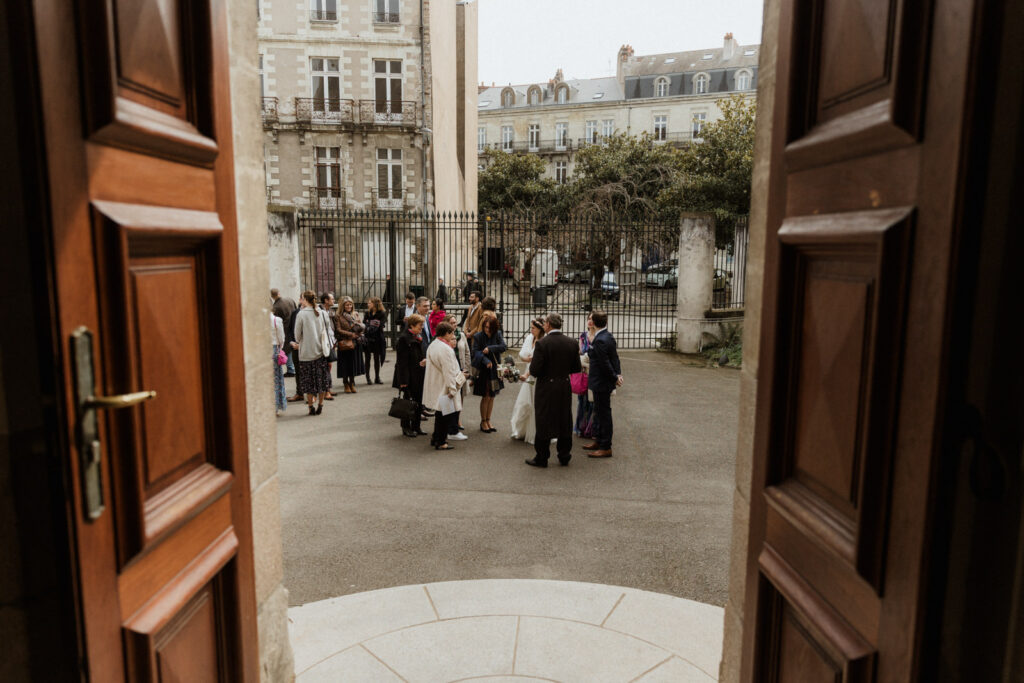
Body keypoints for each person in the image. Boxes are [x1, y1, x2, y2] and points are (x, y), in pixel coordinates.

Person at [525, 313, 582, 468]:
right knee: (564, 418)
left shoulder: (542, 344)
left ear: (548, 324)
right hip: (564, 384)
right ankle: (564, 454)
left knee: (543, 418)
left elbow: (535, 370)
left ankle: (542, 456)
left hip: (546, 386)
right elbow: (576, 367)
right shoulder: (571, 343)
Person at [422, 322, 466, 450]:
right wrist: (453, 389)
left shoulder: (433, 345)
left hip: (437, 384)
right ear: (447, 333)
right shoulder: (446, 349)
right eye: (452, 333)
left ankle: (436, 438)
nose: (453, 335)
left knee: (439, 414)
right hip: (445, 387)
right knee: (445, 415)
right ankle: (441, 441)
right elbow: (449, 371)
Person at [584, 310, 622, 458]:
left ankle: (606, 446)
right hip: (602, 381)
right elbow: (615, 358)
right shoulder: (607, 336)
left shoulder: (600, 340)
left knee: (604, 414)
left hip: (601, 382)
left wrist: (615, 377)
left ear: (593, 322)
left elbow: (605, 363)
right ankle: (599, 440)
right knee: (599, 413)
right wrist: (618, 374)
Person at [294, 290, 332, 415]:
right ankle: (321, 404)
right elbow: (327, 329)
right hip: (321, 351)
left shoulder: (301, 314)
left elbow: (297, 336)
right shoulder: (321, 313)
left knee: (309, 382)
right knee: (321, 381)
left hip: (306, 353)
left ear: (305, 299)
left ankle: (311, 407)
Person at [510, 318, 545, 443]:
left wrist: (529, 368)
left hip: (536, 375)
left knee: (535, 403)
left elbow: (539, 362)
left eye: (533, 328)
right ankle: (522, 430)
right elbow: (522, 354)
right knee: (525, 402)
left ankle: (536, 432)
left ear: (540, 329)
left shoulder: (544, 340)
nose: (531, 330)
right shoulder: (530, 338)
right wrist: (527, 360)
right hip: (528, 374)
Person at [393, 313, 427, 437]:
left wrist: (424, 360)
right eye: (420, 325)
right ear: (412, 325)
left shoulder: (417, 336)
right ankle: (406, 427)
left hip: (418, 374)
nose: (422, 327)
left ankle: (416, 426)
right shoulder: (404, 339)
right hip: (408, 376)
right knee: (408, 402)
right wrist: (403, 381)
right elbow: (401, 362)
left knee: (418, 401)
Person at [471, 312, 506, 433]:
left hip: (495, 369)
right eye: (485, 327)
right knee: (485, 396)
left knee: (492, 396)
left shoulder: (497, 334)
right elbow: (475, 352)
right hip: (484, 370)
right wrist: (485, 360)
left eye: (489, 328)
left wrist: (490, 348)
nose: (487, 330)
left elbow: (503, 347)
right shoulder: (478, 336)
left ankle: (489, 419)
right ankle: (483, 421)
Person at [333, 296, 365, 394]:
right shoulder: (338, 316)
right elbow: (338, 330)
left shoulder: (355, 314)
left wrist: (360, 328)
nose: (349, 306)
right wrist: (351, 334)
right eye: (347, 305)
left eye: (350, 304)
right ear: (343, 306)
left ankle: (352, 382)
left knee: (353, 364)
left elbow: (361, 325)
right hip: (345, 342)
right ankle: (345, 383)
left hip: (355, 342)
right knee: (345, 364)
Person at [446, 313, 471, 438]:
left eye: (455, 322)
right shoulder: (444, 338)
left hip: (461, 371)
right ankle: (449, 427)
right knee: (449, 397)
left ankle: (457, 421)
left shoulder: (461, 335)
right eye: (451, 323)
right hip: (450, 372)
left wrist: (467, 368)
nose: (454, 325)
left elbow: (467, 352)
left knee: (460, 397)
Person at [574, 319, 596, 438]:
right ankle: (581, 427)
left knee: (594, 402)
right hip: (584, 372)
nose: (590, 321)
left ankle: (592, 429)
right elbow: (580, 352)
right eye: (588, 319)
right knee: (582, 400)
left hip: (595, 372)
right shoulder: (583, 336)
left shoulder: (599, 336)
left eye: (592, 319)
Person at [271, 288, 297, 376]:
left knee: (287, 349)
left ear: (272, 296)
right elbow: (296, 311)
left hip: (285, 329)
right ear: (279, 293)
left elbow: (276, 321)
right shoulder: (290, 300)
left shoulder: (276, 307)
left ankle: (291, 369)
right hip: (294, 327)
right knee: (293, 347)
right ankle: (293, 367)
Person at [362, 297, 388, 385]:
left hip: (377, 338)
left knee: (377, 358)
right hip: (368, 338)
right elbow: (364, 324)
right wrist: (372, 324)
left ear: (375, 304)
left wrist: (370, 324)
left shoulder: (382, 313)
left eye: (370, 303)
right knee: (367, 358)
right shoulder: (367, 313)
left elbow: (381, 325)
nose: (368, 304)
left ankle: (377, 377)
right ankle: (368, 377)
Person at [320, 292, 338, 400]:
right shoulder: (319, 311)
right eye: (332, 299)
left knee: (329, 366)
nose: (334, 300)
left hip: (331, 342)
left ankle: (328, 388)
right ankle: (326, 391)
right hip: (324, 343)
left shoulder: (330, 311)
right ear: (326, 300)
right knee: (325, 367)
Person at [271, 310, 286, 416]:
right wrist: (281, 347)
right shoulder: (276, 320)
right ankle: (275, 407)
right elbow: (281, 338)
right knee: (276, 380)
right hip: (274, 349)